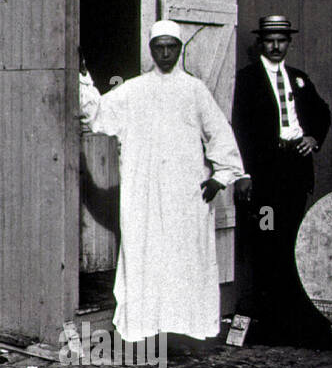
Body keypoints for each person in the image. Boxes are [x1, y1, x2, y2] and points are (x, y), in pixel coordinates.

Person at [79, 20, 250, 343]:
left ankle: (187, 329)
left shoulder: (195, 90)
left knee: (185, 258)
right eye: (160, 47)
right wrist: (83, 77)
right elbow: (99, 114)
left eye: (172, 46)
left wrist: (222, 176)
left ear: (180, 48)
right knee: (147, 255)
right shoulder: (134, 89)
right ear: (152, 49)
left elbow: (219, 132)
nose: (166, 53)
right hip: (143, 191)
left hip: (186, 193)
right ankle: (146, 327)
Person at [230, 13, 332, 347]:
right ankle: (266, 317)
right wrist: (243, 174)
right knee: (265, 238)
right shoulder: (246, 80)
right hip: (265, 175)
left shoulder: (299, 79)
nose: (276, 46)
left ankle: (289, 317)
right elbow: (239, 128)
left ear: (289, 42)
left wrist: (314, 138)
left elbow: (321, 113)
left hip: (295, 173)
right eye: (270, 40)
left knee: (291, 238)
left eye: (282, 40)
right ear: (261, 43)